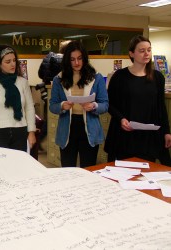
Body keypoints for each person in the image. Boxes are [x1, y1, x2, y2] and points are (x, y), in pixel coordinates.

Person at [104, 35, 171, 165]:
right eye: (142, 50)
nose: (147, 54)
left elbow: (161, 107)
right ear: (131, 53)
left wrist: (167, 132)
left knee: (147, 175)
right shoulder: (120, 76)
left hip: (148, 137)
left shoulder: (157, 77)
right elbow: (110, 104)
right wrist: (121, 119)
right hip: (125, 135)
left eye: (149, 50)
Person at [49, 40, 108, 167]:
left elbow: (105, 104)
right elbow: (52, 105)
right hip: (68, 127)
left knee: (88, 168)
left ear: (85, 58)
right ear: (67, 60)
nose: (76, 63)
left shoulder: (96, 77)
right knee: (67, 169)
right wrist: (61, 106)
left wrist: (94, 106)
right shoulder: (59, 79)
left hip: (89, 128)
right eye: (72, 59)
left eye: (80, 58)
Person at [0, 45, 36, 152]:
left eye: (14, 60)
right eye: (8, 62)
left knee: (19, 166)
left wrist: (31, 132)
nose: (13, 64)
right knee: (1, 167)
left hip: (20, 130)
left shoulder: (22, 82)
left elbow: (29, 108)